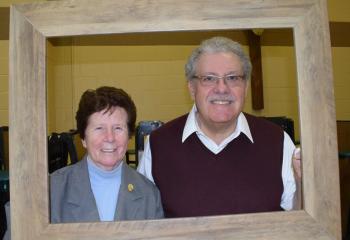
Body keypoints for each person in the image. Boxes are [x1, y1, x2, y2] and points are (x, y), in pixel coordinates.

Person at [137, 36, 301, 218]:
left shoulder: (277, 141)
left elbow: (299, 215)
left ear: (245, 86)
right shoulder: (159, 145)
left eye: (232, 78)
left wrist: (306, 184)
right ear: (192, 88)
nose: (222, 88)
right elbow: (142, 219)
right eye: (209, 78)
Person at [3, 87, 163, 239]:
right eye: (99, 128)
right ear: (83, 138)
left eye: (118, 128)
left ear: (129, 136)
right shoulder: (49, 191)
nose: (110, 137)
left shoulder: (149, 194)